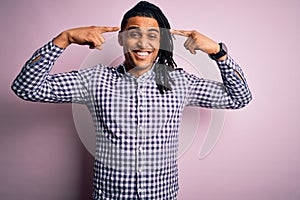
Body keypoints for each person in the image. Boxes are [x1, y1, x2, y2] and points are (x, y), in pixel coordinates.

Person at [11, 1, 252, 199]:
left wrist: (218, 53)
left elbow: (239, 98)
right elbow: (26, 87)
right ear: (121, 40)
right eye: (134, 34)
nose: (143, 43)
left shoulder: (179, 83)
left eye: (153, 35)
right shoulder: (95, 80)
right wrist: (63, 39)